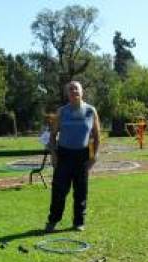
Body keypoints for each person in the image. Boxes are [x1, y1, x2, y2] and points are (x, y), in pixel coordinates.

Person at [45, 81, 100, 233]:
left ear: (82, 92)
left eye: (76, 88)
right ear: (67, 94)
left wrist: (93, 156)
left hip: (82, 156)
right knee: (59, 191)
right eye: (70, 89)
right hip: (64, 155)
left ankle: (79, 222)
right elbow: (52, 135)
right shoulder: (62, 112)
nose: (74, 91)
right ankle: (53, 221)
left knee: (81, 191)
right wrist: (54, 155)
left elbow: (96, 136)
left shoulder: (91, 111)